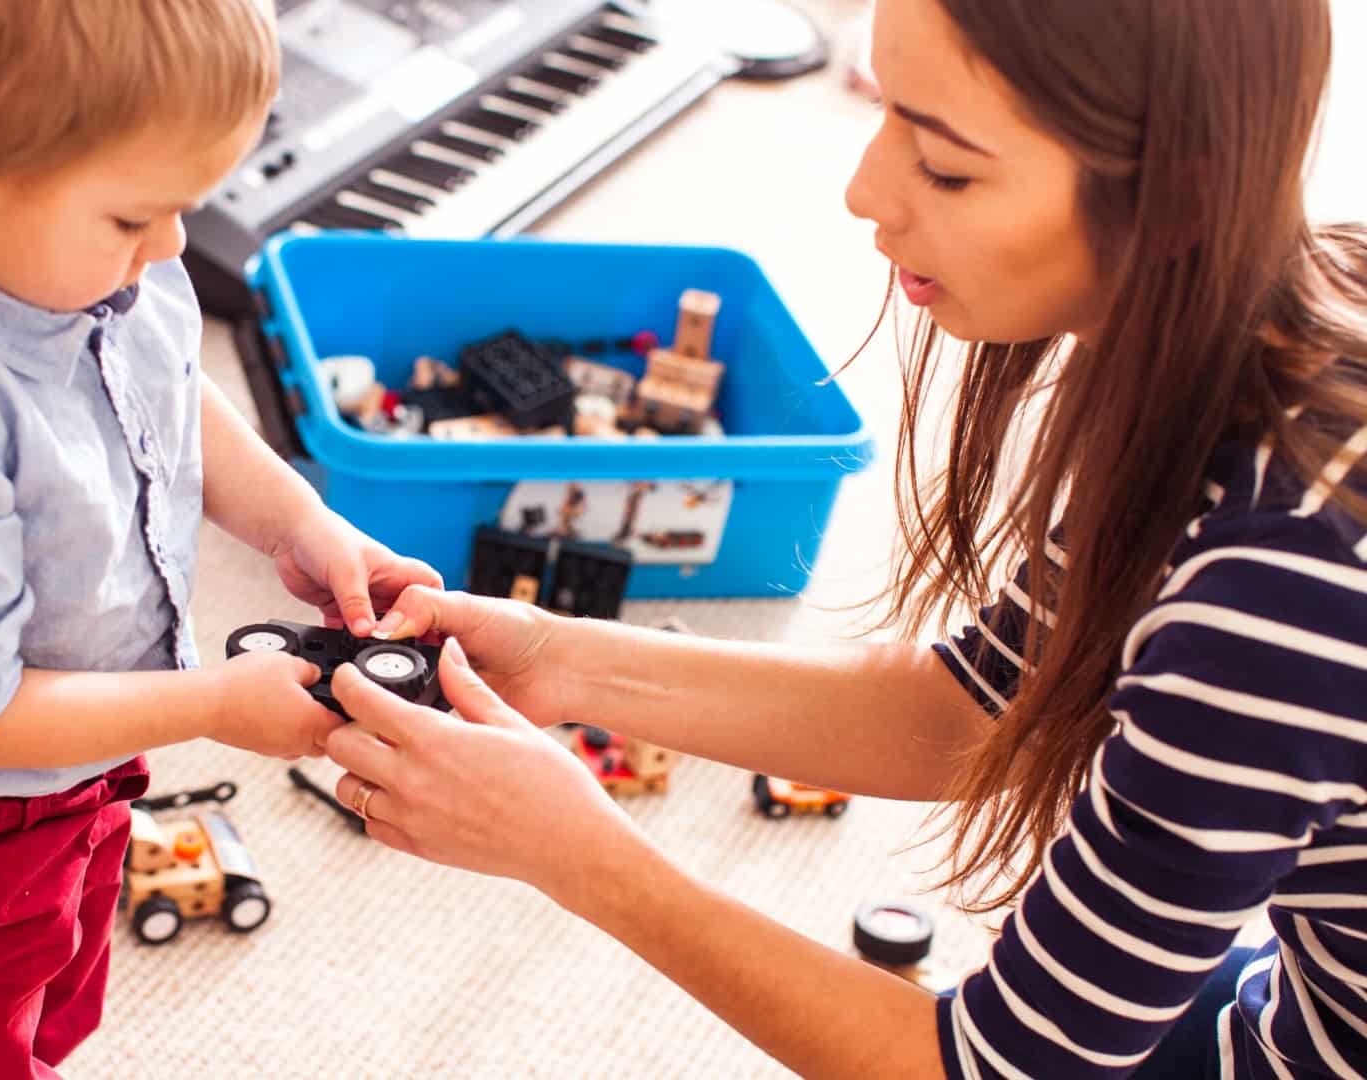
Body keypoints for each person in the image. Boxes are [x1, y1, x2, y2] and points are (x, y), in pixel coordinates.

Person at [320, 0, 1367, 1075]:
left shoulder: (1274, 588)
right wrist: (558, 659)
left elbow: (992, 1069)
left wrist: (579, 857)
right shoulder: (1301, 302)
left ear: (1179, 192)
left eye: (948, 167)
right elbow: (969, 707)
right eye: (885, 108)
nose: (866, 191)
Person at [0, 2, 439, 1076]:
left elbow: (163, 386)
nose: (170, 249)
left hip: (81, 748)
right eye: (136, 221)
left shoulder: (75, 246)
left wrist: (295, 517)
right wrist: (213, 703)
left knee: (55, 989)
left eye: (182, 212)